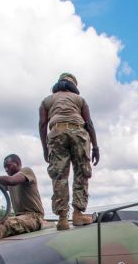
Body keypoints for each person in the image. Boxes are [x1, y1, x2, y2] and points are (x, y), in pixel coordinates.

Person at [39, 72, 100, 230]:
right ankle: (78, 214)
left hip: (56, 133)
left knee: (59, 176)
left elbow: (42, 125)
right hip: (78, 133)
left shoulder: (47, 101)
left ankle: (62, 219)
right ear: (73, 85)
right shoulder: (80, 100)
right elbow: (90, 123)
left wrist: (45, 149)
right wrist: (96, 147)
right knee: (81, 172)